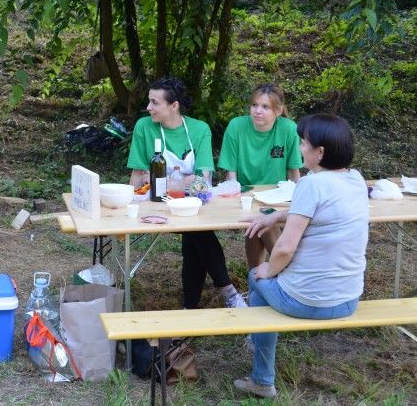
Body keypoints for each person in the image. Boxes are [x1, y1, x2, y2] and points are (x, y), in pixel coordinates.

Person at [233, 113, 368, 399]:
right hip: (348, 299)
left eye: (303, 143)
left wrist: (267, 270)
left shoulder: (311, 184)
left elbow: (284, 249)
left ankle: (262, 376)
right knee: (264, 287)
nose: (299, 148)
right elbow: (314, 211)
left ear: (320, 153)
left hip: (308, 301)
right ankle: (259, 363)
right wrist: (276, 216)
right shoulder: (355, 179)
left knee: (256, 279)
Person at [127, 77, 246, 309]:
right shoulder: (144, 127)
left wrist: (163, 181)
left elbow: (203, 180)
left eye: (154, 102)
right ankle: (227, 292)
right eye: (149, 101)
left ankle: (191, 306)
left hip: (194, 204)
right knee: (197, 233)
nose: (148, 107)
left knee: (195, 232)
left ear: (174, 105)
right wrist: (129, 202)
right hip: (158, 206)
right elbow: (138, 174)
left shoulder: (199, 129)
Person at [217, 84, 302, 267]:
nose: (257, 111)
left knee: (262, 223)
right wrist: (234, 203)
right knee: (258, 223)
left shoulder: (289, 129)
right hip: (246, 197)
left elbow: (294, 173)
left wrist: (301, 201)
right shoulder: (236, 126)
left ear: (278, 111)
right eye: (254, 105)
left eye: (265, 107)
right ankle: (270, 274)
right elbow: (231, 176)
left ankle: (275, 272)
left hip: (277, 198)